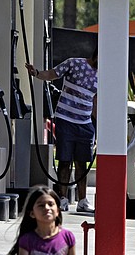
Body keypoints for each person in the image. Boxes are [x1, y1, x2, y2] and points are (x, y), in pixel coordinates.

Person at [25, 50, 97, 213]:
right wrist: (36, 73)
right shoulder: (73, 63)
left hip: (85, 123)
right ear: (96, 55)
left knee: (82, 163)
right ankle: (63, 199)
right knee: (64, 160)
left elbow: (96, 100)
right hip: (66, 120)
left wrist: (97, 126)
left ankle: (82, 201)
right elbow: (53, 74)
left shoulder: (103, 73)